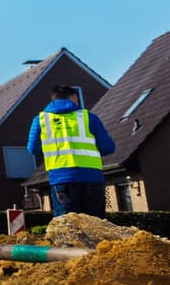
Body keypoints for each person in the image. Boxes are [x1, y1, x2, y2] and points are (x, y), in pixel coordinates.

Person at [27, 85, 115, 217]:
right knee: (96, 225)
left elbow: (33, 149)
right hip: (91, 178)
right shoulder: (89, 117)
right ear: (73, 97)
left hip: (61, 178)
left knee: (67, 226)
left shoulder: (40, 120)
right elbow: (108, 147)